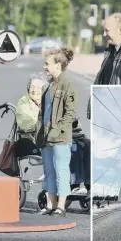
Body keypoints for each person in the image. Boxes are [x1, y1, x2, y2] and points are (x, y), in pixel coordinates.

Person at [36, 47, 77, 217]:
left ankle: (61, 206)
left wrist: (58, 129)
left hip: (60, 138)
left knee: (61, 171)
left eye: (47, 64)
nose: (44, 67)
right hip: (46, 138)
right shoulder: (48, 86)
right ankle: (50, 204)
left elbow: (70, 113)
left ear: (58, 65)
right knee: (49, 171)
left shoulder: (67, 85)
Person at [15, 72, 52, 213]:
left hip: (48, 138)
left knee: (82, 144)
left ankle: (81, 184)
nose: (35, 89)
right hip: (32, 141)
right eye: (32, 86)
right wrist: (44, 122)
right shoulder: (23, 102)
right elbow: (26, 123)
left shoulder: (47, 101)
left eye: (38, 86)